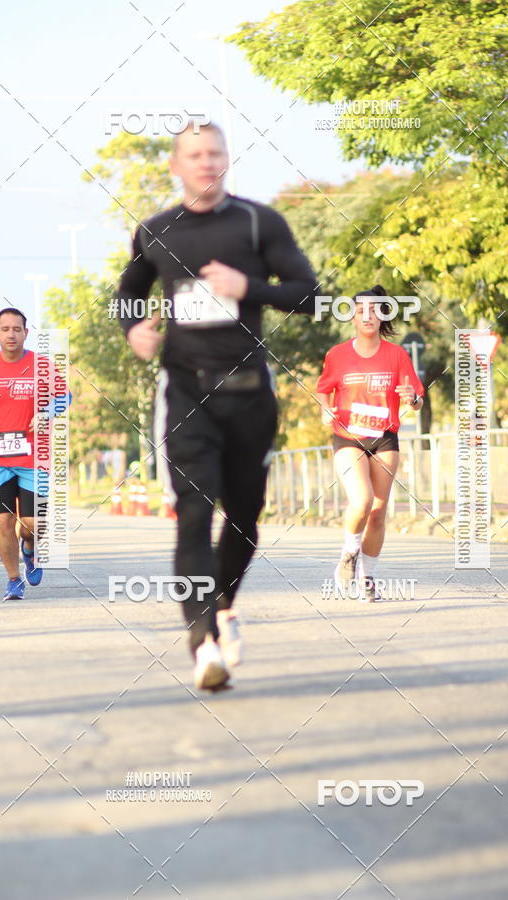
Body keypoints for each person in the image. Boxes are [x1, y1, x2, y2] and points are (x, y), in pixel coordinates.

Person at [118, 121, 317, 690]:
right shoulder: (155, 231)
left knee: (246, 517)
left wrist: (246, 286)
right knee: (194, 515)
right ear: (176, 166)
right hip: (184, 392)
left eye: (215, 154)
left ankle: (223, 602)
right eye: (195, 155)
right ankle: (204, 643)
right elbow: (127, 294)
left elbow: (308, 294)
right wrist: (135, 329)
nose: (206, 163)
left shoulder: (257, 222)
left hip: (249, 391)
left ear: (227, 159)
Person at [316, 285, 424, 602]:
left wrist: (413, 399)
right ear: (352, 316)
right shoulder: (337, 355)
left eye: (374, 310)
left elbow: (416, 399)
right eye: (361, 310)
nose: (368, 315)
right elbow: (324, 389)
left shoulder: (396, 355)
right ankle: (349, 554)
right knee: (361, 500)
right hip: (348, 436)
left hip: (384, 438)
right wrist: (325, 408)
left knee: (377, 512)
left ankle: (368, 577)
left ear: (382, 315)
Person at [0, 308, 68, 600]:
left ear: (25, 333)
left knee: (34, 524)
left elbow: (64, 395)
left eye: (16, 329)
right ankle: (13, 579)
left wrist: (47, 412)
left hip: (34, 456)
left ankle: (30, 549)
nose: (11, 333)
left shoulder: (41, 365)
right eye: (5, 329)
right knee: (3, 521)